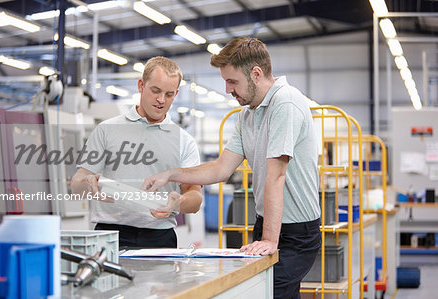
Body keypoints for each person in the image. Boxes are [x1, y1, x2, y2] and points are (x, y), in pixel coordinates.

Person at [142, 38, 321, 299]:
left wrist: (271, 241)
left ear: (256, 74)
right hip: (266, 224)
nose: (227, 89)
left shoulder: (286, 103)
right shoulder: (248, 114)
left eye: (232, 81)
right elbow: (220, 169)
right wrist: (171, 174)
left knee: (267, 292)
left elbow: (276, 175)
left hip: (296, 232)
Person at [71, 56, 202, 249]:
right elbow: (76, 185)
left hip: (160, 237)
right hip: (109, 236)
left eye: (169, 94)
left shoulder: (184, 140)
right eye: (155, 91)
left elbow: (195, 198)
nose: (161, 100)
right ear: (141, 85)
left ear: (176, 93)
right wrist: (86, 184)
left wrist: (178, 203)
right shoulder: (106, 130)